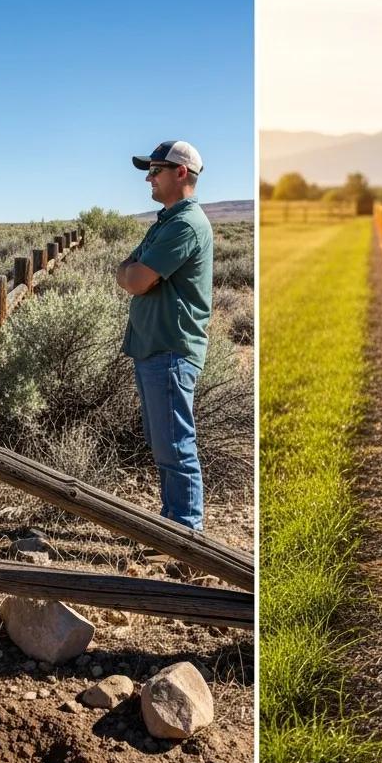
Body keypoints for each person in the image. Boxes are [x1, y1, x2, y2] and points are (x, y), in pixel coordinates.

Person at [117, 140, 213, 530]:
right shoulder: (167, 222)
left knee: (175, 445)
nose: (149, 178)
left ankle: (187, 534)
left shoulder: (186, 224)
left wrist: (132, 272)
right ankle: (173, 525)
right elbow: (130, 272)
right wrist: (131, 272)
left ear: (181, 173)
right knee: (165, 445)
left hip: (171, 350)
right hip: (156, 347)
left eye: (156, 170)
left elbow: (135, 278)